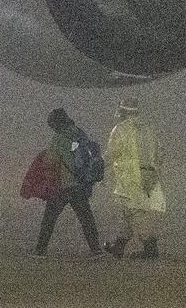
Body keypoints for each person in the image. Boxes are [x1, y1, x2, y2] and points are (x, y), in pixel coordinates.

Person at [32, 108, 104, 259]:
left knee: (49, 218)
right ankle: (96, 250)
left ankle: (40, 250)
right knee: (86, 218)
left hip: (64, 185)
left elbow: (50, 160)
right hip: (80, 183)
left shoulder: (59, 137)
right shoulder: (79, 133)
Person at [103, 98, 166, 260]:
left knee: (135, 212)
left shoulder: (120, 129)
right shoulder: (148, 128)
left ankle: (150, 248)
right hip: (150, 176)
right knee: (129, 211)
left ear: (122, 112)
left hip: (130, 178)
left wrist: (97, 167)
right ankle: (118, 246)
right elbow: (160, 153)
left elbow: (111, 154)